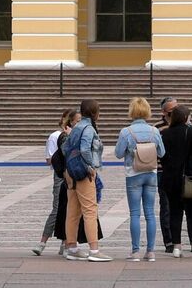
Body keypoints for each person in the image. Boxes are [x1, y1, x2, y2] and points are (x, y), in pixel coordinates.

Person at [114, 97, 164, 262]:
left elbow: (119, 153)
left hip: (133, 173)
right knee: (150, 213)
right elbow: (162, 153)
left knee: (135, 213)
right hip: (151, 173)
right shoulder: (154, 131)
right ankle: (150, 251)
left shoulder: (126, 132)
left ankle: (135, 251)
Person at [61, 99, 110, 262]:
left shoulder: (77, 127)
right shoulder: (88, 128)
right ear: (95, 112)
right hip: (83, 173)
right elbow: (85, 149)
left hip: (71, 172)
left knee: (73, 211)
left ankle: (72, 247)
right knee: (90, 210)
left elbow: (65, 148)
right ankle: (94, 250)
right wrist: (91, 166)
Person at [160, 104, 192, 257]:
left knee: (175, 213)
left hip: (171, 180)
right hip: (191, 179)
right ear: (186, 117)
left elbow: (162, 156)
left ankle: (176, 247)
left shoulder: (166, 133)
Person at [33, 108, 78, 256]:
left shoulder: (77, 135)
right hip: (61, 176)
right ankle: (42, 242)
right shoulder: (56, 136)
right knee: (57, 209)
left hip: (74, 175)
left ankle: (65, 243)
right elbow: (50, 159)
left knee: (70, 210)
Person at [157, 97, 177, 250]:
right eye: (172, 111)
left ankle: (188, 240)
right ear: (164, 112)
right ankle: (169, 240)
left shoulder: (184, 126)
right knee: (166, 206)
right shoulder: (157, 128)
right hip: (162, 171)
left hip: (180, 171)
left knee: (183, 206)